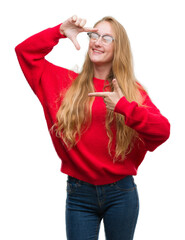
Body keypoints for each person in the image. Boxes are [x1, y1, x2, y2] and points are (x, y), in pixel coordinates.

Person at [15, 15, 170, 240]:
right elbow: (24, 52)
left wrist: (125, 107)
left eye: (107, 38)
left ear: (120, 49)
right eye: (94, 35)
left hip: (121, 194)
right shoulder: (63, 83)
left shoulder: (132, 93)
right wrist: (59, 30)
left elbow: (163, 131)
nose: (97, 42)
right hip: (79, 194)